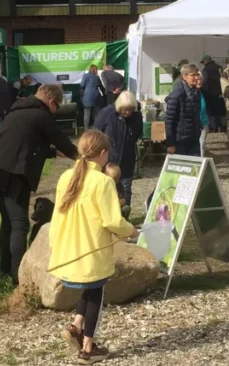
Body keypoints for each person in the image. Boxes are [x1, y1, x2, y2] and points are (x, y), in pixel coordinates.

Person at [50, 130, 138, 364]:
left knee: (88, 289)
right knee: (96, 293)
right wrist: (131, 231)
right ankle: (88, 348)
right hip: (92, 248)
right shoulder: (103, 181)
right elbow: (113, 221)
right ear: (102, 153)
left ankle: (76, 326)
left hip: (69, 246)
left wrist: (53, 243)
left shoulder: (66, 177)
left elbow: (57, 214)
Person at [0, 84, 79, 284]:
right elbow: (62, 141)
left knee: (8, 221)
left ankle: (6, 268)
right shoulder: (42, 115)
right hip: (13, 172)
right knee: (20, 224)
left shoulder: (17, 111)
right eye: (57, 107)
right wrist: (82, 158)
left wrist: (52, 152)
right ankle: (19, 278)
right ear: (51, 102)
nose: (55, 111)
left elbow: (23, 140)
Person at [94, 90, 143, 219]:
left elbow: (138, 133)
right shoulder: (106, 113)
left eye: (130, 110)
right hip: (108, 161)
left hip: (127, 159)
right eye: (125, 110)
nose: (127, 112)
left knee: (125, 190)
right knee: (106, 190)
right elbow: (95, 133)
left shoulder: (137, 116)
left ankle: (124, 219)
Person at [165, 63, 203, 157]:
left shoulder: (196, 92)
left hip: (194, 138)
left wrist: (199, 125)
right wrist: (170, 144)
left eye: (197, 74)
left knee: (195, 164)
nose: (196, 77)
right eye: (193, 75)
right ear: (184, 76)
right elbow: (169, 121)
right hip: (180, 140)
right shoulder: (177, 94)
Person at [201, 55, 225, 132]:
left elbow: (205, 81)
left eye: (203, 62)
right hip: (220, 92)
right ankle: (220, 126)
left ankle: (213, 127)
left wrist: (202, 89)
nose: (203, 63)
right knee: (218, 110)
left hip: (209, 93)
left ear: (206, 61)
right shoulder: (219, 67)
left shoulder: (206, 69)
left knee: (210, 111)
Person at [80, 64, 106, 131]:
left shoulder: (85, 76)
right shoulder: (96, 77)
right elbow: (101, 86)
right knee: (96, 114)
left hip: (87, 97)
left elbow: (82, 85)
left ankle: (86, 129)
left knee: (87, 114)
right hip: (96, 96)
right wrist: (104, 94)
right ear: (95, 70)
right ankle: (96, 129)